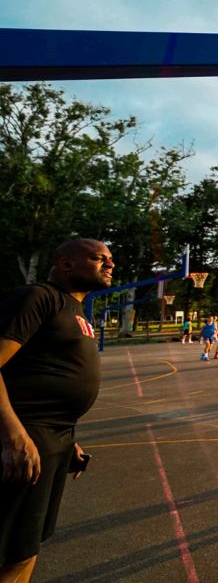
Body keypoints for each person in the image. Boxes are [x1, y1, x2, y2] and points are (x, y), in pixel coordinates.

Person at [0, 238, 112, 581]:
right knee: (11, 550)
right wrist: (14, 437)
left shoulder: (74, 309)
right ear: (65, 264)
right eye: (99, 258)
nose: (110, 265)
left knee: (27, 545)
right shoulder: (38, 297)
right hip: (26, 435)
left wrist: (67, 439)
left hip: (54, 437)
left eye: (110, 260)